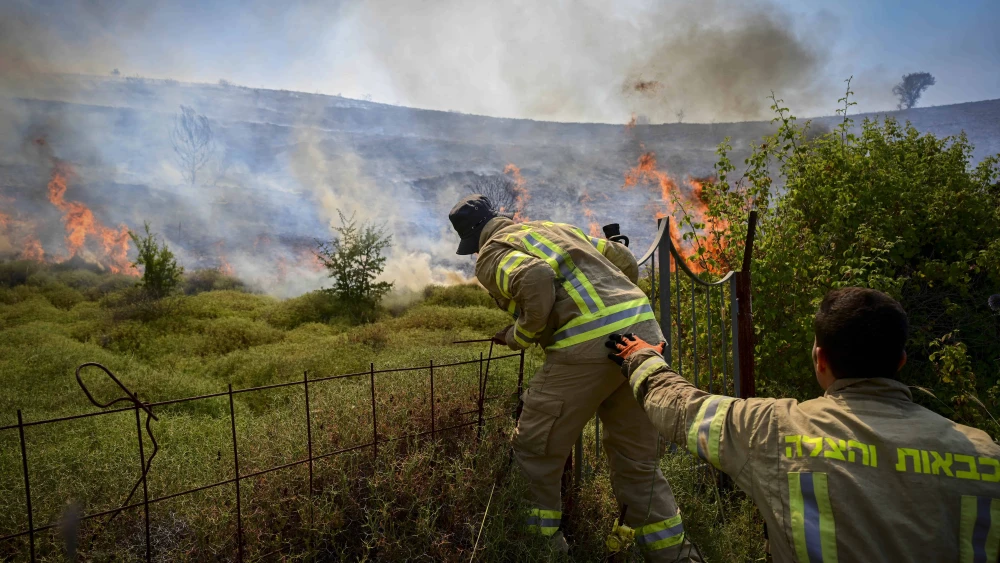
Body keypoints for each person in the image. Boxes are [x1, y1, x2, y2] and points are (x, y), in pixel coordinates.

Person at [607, 287, 1000, 562]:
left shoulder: (776, 429)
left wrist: (641, 358)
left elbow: (682, 409)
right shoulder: (985, 453)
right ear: (900, 361)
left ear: (820, 358)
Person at [448, 194, 700, 561]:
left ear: (472, 242)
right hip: (643, 336)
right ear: (498, 217)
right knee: (637, 461)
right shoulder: (551, 228)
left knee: (535, 449)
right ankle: (675, 556)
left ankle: (543, 551)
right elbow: (624, 259)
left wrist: (520, 335)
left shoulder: (491, 255)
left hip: (587, 349)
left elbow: (534, 277)